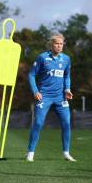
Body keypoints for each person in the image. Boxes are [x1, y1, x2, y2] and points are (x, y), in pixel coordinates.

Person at [26, 34, 75, 162]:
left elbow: (67, 76)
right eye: (57, 44)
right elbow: (31, 75)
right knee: (38, 123)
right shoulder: (42, 57)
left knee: (66, 123)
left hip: (60, 97)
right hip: (44, 96)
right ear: (51, 44)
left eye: (61, 44)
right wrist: (35, 91)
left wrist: (67, 89)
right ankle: (30, 153)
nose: (59, 46)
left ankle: (66, 153)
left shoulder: (66, 59)